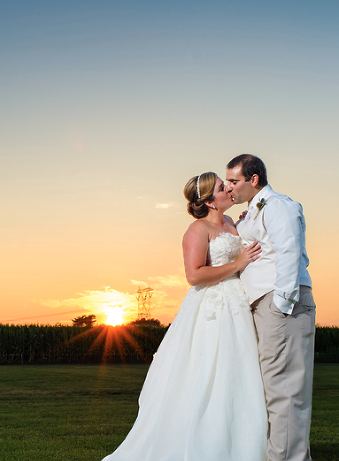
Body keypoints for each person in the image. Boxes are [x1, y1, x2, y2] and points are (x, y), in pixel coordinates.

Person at [103, 172, 268, 461]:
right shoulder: (197, 230)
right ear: (209, 201)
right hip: (213, 309)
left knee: (240, 372)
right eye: (221, 187)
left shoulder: (232, 223)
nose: (228, 188)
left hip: (238, 305)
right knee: (209, 372)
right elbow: (194, 275)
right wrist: (238, 263)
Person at [225, 154, 316, 461]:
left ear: (254, 180)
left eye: (234, 181)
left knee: (285, 389)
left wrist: (282, 305)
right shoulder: (251, 212)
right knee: (270, 387)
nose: (229, 187)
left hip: (280, 304)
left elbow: (290, 252)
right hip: (262, 304)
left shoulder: (279, 205)